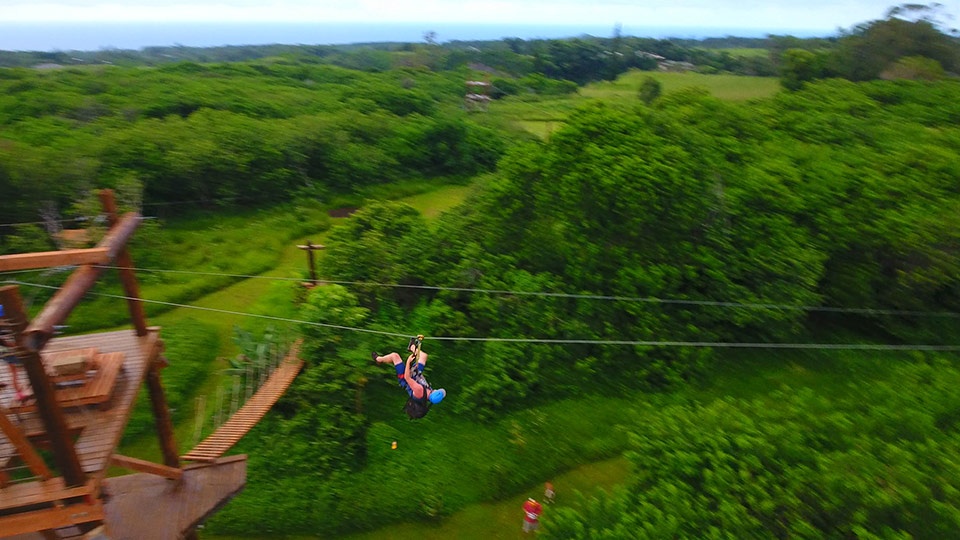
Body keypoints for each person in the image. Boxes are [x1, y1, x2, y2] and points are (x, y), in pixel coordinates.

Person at [374, 336, 446, 419]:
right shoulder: (429, 393)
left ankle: (378, 359)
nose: (436, 389)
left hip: (405, 378)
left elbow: (407, 377)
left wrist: (408, 362)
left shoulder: (420, 391)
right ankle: (412, 347)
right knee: (423, 356)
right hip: (415, 374)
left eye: (437, 390)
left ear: (434, 392)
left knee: (395, 356)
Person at [0, 304, 26, 402]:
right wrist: (16, 345)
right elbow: (8, 343)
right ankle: (21, 391)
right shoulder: (4, 327)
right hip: (8, 353)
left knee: (14, 372)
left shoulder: (5, 326)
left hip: (6, 353)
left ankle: (18, 393)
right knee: (27, 366)